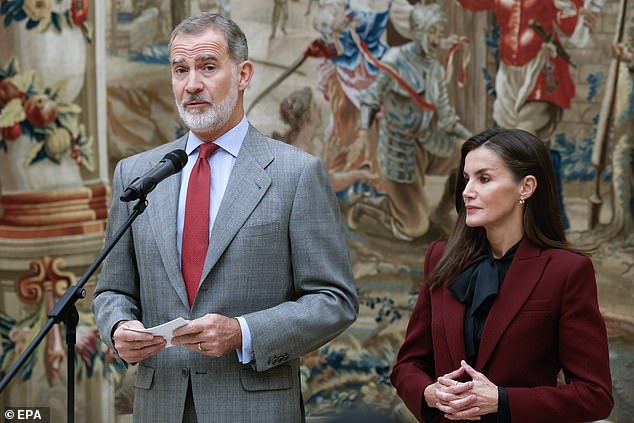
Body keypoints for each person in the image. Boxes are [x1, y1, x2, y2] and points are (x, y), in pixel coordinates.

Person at [93, 12, 358, 423]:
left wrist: (242, 333)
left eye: (208, 67)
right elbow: (112, 290)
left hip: (254, 407)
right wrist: (118, 328)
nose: (192, 84)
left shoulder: (297, 174)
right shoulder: (137, 173)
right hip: (158, 405)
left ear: (244, 74)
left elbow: (334, 301)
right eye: (180, 70)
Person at [391, 128, 613, 422]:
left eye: (483, 179)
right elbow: (408, 364)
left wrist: (503, 401)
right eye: (466, 178)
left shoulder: (567, 271)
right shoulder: (440, 258)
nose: (467, 191)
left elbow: (594, 395)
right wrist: (430, 393)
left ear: (526, 187)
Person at [348, 3, 471, 241]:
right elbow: (370, 99)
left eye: (440, 32)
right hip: (398, 150)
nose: (436, 39)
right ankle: (371, 205)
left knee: (469, 153)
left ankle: (442, 212)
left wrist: (476, 139)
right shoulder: (396, 59)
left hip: (426, 142)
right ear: (418, 31)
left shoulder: (434, 68)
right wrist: (363, 132)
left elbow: (446, 119)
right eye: (431, 32)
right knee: (414, 229)